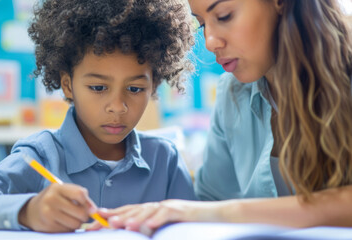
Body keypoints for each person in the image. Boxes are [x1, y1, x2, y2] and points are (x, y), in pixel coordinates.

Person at [89, 0, 352, 232]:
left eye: (224, 15)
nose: (211, 42)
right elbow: (210, 201)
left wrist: (223, 212)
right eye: (202, 24)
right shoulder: (232, 92)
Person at [0, 0, 197, 233]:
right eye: (98, 88)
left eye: (135, 89)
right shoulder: (41, 155)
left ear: (153, 86)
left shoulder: (165, 160)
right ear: (67, 85)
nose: (117, 107)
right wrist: (27, 211)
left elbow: (198, 229)